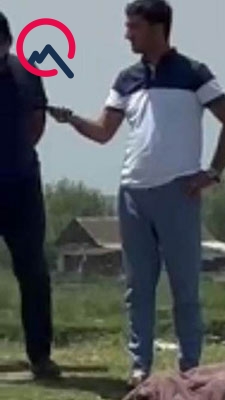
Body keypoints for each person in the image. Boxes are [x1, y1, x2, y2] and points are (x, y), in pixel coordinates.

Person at [48, 0, 225, 387]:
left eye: (133, 27)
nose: (127, 35)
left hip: (178, 191)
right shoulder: (127, 79)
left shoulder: (193, 73)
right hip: (133, 192)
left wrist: (212, 173)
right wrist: (71, 120)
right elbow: (104, 132)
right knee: (138, 288)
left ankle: (190, 367)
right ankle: (140, 366)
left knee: (184, 285)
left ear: (157, 27)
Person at [0, 11, 61, 379]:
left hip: (22, 184)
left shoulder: (26, 73)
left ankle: (40, 355)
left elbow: (37, 122)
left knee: (34, 271)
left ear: (6, 42)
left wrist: (17, 153)